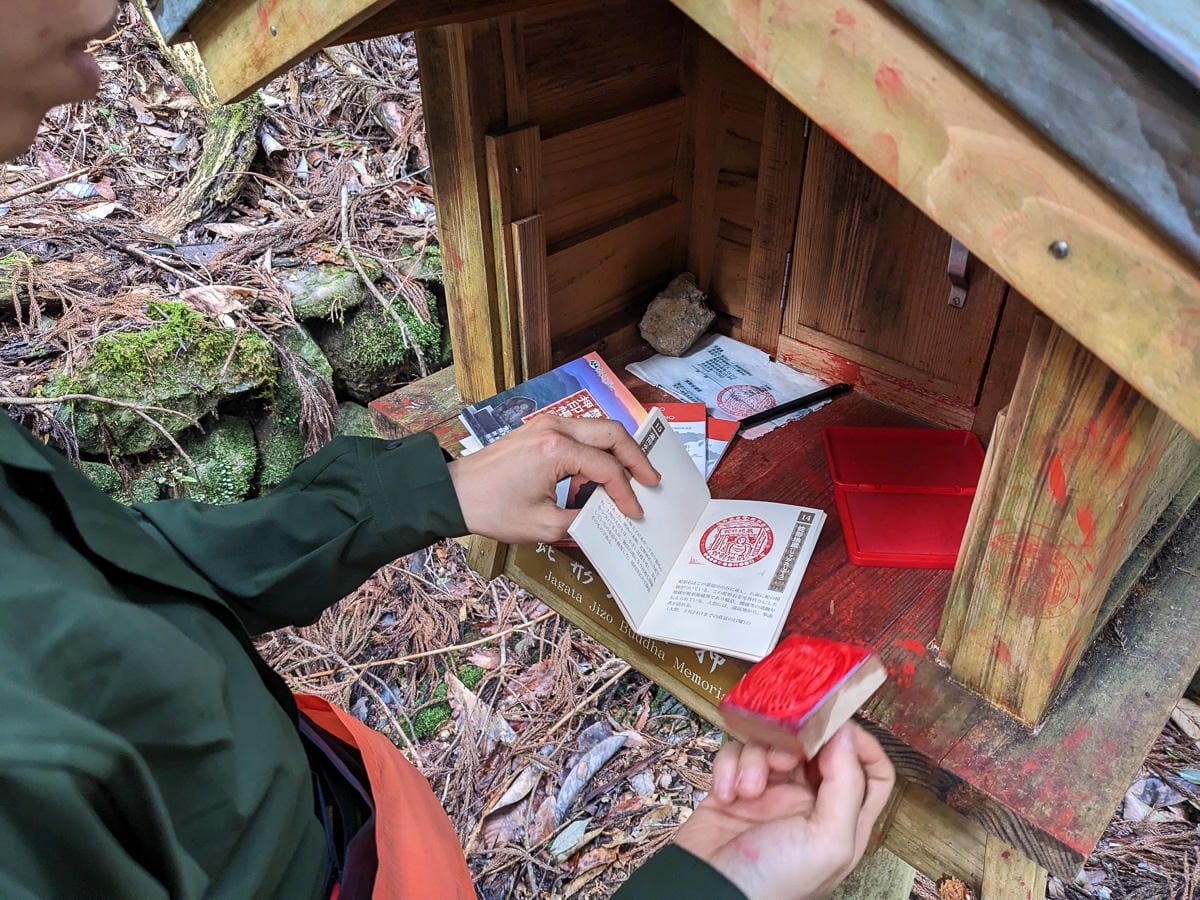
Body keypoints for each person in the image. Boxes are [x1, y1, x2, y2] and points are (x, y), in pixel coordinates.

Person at [0, 2, 895, 897]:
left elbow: (122, 573)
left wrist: (426, 492)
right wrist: (711, 886)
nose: (109, 7)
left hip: (354, 812)